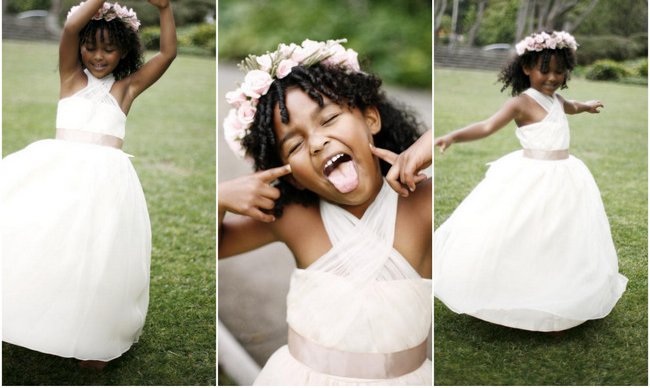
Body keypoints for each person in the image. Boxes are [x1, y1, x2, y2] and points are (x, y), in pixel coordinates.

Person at [219, 39, 432, 385]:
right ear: (293, 176)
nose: (317, 143)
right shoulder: (292, 219)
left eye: (329, 119)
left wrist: (428, 145)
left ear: (370, 118)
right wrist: (220, 199)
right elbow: (216, 245)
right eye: (296, 144)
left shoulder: (422, 203)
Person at [2, 0, 177, 368]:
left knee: (98, 256)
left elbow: (168, 53)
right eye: (91, 45)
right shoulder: (70, 79)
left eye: (109, 48)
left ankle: (94, 335)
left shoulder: (126, 90)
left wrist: (164, 8)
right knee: (48, 245)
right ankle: (35, 316)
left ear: (124, 51)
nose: (98, 55)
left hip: (107, 184)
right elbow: (69, 28)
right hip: (58, 177)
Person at [434, 30, 627, 332]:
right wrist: (454, 136)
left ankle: (559, 289)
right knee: (524, 231)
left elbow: (570, 105)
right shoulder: (521, 103)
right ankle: (513, 288)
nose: (552, 77)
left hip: (565, 175)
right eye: (544, 70)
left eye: (559, 71)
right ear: (526, 68)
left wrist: (586, 105)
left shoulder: (558, 99)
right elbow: (487, 126)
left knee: (559, 233)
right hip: (531, 176)